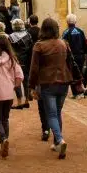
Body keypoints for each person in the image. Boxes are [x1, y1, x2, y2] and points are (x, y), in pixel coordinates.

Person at [29, 17, 73, 160]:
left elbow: (34, 69)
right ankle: (56, 142)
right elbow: (69, 63)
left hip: (48, 82)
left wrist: (31, 86)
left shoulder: (39, 46)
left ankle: (59, 140)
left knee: (52, 114)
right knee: (57, 113)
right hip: (64, 81)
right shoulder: (63, 43)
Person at [8, 18, 33, 109]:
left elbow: (9, 50)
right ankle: (26, 101)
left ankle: (19, 102)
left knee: (17, 80)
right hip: (26, 60)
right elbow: (31, 48)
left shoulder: (10, 37)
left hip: (16, 60)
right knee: (26, 80)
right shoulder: (28, 35)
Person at [62, 14, 87, 98]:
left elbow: (63, 46)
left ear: (67, 22)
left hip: (71, 57)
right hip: (80, 56)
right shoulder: (80, 31)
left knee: (72, 74)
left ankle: (75, 93)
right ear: (75, 21)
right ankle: (82, 91)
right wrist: (85, 54)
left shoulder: (65, 32)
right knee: (80, 73)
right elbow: (85, 44)